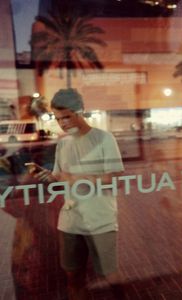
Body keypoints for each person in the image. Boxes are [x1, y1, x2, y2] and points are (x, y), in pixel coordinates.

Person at [34, 88, 126, 300]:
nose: (62, 123)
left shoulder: (104, 139)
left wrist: (75, 178)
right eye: (58, 119)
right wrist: (49, 176)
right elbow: (59, 176)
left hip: (100, 217)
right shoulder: (63, 143)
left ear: (80, 111)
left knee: (109, 273)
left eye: (67, 116)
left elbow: (114, 178)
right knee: (73, 274)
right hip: (70, 219)